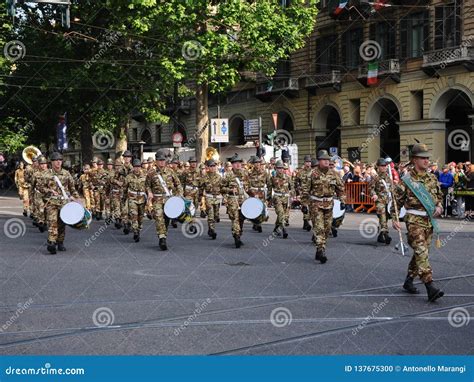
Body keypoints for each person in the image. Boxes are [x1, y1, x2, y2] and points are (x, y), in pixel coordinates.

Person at [392, 143, 444, 302]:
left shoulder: (432, 178)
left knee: (421, 253)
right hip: (414, 220)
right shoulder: (406, 180)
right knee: (421, 251)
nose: (427, 161)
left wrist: (439, 207)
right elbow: (396, 201)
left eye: (428, 158)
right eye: (423, 158)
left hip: (429, 221)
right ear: (414, 159)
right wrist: (395, 218)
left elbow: (439, 197)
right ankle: (430, 286)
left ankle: (409, 280)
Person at [304, 150, 345, 264]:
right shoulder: (312, 174)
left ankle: (319, 248)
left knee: (327, 229)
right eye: (324, 160)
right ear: (319, 161)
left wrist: (342, 200)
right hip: (316, 205)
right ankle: (321, 250)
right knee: (319, 227)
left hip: (329, 205)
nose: (327, 162)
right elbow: (305, 190)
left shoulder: (334, 174)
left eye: (328, 160)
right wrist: (304, 204)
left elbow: (340, 189)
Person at [42, 152, 80, 255]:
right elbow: (41, 187)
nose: (58, 162)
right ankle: (52, 242)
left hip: (64, 202)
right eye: (56, 160)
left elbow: (72, 188)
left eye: (60, 160)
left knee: (62, 223)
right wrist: (49, 191)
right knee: (52, 221)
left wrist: (76, 199)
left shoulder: (66, 174)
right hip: (52, 202)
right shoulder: (46, 174)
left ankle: (60, 242)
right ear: (52, 162)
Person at [146, 151, 183, 250]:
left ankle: (163, 234)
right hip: (157, 199)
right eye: (159, 160)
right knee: (158, 217)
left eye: (163, 160)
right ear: (156, 161)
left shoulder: (171, 172)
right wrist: (149, 192)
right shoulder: (151, 173)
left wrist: (179, 195)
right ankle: (162, 238)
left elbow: (178, 184)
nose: (162, 162)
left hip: (168, 199)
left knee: (166, 219)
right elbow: (147, 185)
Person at [221, 154, 248, 248]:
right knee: (235, 218)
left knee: (241, 219)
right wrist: (229, 190)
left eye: (239, 163)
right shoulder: (228, 175)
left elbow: (248, 186)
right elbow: (222, 187)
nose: (238, 165)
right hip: (232, 199)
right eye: (235, 163)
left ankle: (238, 234)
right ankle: (236, 236)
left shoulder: (245, 174)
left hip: (243, 199)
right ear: (232, 165)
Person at [369, 158, 393, 245]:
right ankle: (386, 235)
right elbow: (370, 189)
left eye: (385, 165)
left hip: (388, 201)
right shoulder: (375, 178)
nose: (384, 167)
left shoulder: (389, 177)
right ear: (378, 167)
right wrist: (374, 194)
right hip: (379, 201)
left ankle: (380, 235)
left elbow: (392, 188)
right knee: (382, 216)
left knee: (385, 218)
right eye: (382, 166)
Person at [124, 159, 148, 242]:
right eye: (135, 167)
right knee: (134, 215)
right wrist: (124, 199)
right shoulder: (129, 177)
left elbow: (148, 187)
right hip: (132, 198)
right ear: (133, 167)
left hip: (142, 198)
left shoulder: (145, 176)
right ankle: (135, 231)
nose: (137, 169)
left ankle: (139, 228)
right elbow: (125, 188)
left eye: (138, 167)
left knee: (140, 217)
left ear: (140, 167)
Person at [247, 156, 271, 233]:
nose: (257, 164)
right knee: (254, 209)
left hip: (262, 193)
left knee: (261, 209)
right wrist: (250, 192)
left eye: (258, 163)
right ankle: (257, 223)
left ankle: (258, 223)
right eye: (256, 163)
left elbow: (269, 184)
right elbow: (246, 184)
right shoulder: (250, 173)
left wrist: (269, 195)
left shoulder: (264, 173)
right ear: (253, 164)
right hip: (253, 193)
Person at [199, 159, 222, 239]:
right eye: (211, 166)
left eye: (214, 166)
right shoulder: (204, 177)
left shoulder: (219, 177)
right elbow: (201, 188)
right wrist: (200, 199)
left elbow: (223, 188)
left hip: (217, 198)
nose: (213, 168)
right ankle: (211, 230)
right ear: (208, 167)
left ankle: (211, 227)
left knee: (216, 215)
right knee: (211, 214)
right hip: (208, 197)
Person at [268, 160, 292, 239]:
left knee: (282, 215)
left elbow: (291, 188)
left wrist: (292, 196)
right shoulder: (272, 178)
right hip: (277, 198)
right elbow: (269, 188)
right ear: (275, 168)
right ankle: (284, 230)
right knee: (281, 213)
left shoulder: (288, 177)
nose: (280, 170)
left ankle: (276, 229)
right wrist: (269, 198)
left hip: (285, 198)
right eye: (278, 168)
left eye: (281, 168)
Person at [295, 155, 312, 232]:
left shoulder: (314, 172)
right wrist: (298, 192)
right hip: (303, 192)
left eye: (309, 162)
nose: (308, 164)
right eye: (307, 162)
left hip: (312, 193)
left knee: (311, 208)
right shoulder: (300, 172)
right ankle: (306, 222)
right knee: (305, 208)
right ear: (304, 163)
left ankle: (306, 221)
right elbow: (296, 182)